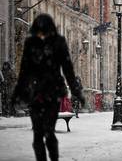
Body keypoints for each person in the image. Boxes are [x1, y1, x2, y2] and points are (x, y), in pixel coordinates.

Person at [12, 14, 85, 161]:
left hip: (52, 94)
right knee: (38, 134)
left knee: (49, 132)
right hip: (35, 94)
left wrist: (77, 92)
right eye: (39, 31)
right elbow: (24, 71)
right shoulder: (30, 43)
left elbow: (68, 69)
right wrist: (17, 93)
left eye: (43, 31)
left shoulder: (58, 42)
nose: (41, 35)